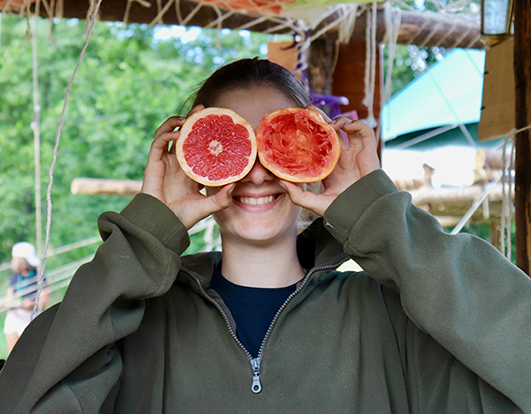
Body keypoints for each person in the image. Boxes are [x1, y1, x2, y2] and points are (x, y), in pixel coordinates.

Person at [0, 57, 530, 413]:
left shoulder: (394, 318)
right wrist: (143, 238)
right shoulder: (132, 325)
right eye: (232, 146)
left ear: (319, 159)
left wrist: (380, 218)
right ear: (190, 160)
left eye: (283, 143)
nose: (256, 172)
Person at [2, 242, 49, 353]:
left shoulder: (38, 275)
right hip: (13, 316)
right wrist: (6, 303)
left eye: (14, 258)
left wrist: (32, 304)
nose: (12, 261)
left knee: (29, 352)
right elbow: (10, 296)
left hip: (29, 317)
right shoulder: (15, 275)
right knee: (13, 354)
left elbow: (45, 300)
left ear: (21, 260)